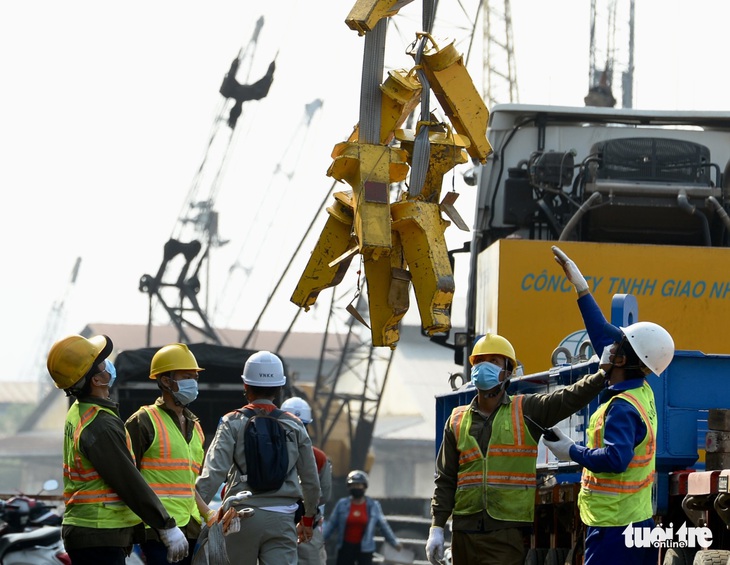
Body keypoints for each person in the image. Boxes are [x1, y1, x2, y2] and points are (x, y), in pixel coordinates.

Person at [426, 329, 610, 565]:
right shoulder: (456, 419)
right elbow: (446, 479)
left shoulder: (525, 410)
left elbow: (568, 398)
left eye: (493, 361)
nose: (485, 367)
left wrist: (601, 374)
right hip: (463, 533)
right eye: (480, 361)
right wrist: (437, 527)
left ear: (507, 371)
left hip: (506, 532)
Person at [543, 246, 674, 565]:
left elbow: (617, 459)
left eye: (618, 345)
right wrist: (582, 290)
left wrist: (571, 452)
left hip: (614, 528)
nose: (609, 345)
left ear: (623, 358)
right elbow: (605, 337)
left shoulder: (622, 408)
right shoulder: (642, 391)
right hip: (636, 521)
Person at [46, 334, 188, 565]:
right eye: (102, 363)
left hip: (90, 532)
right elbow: (128, 480)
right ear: (98, 380)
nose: (107, 365)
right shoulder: (100, 424)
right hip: (99, 532)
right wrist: (166, 525)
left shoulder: (80, 411)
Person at [196, 350, 321, 565]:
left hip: (241, 518)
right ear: (279, 387)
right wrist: (308, 519)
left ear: (246, 386)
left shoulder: (231, 422)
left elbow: (214, 473)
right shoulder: (295, 424)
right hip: (283, 519)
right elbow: (311, 480)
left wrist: (195, 511)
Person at [125, 343, 240, 565]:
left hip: (189, 529)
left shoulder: (195, 426)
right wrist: (163, 527)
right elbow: (130, 481)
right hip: (158, 531)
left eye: (195, 377)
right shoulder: (143, 421)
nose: (193, 383)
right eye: (187, 376)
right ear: (165, 381)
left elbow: (187, 484)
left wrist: (210, 515)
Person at [281, 396, 333, 565]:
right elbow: (324, 495)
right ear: (307, 426)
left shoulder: (270, 454)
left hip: (275, 525)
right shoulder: (318, 457)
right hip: (307, 528)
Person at [323, 469, 402, 565]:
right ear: (349, 487)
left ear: (364, 487)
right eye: (353, 485)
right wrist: (320, 540)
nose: (356, 488)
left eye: (359, 485)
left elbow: (383, 526)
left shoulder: (373, 506)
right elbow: (331, 524)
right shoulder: (342, 504)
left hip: (365, 548)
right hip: (345, 547)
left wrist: (394, 543)